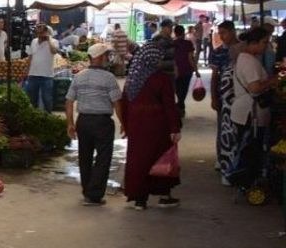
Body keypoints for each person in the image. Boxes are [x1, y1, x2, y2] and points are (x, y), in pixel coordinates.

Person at [120, 41, 181, 210]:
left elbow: (124, 104)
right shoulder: (161, 78)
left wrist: (126, 126)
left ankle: (140, 200)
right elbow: (170, 105)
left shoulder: (132, 79)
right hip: (158, 126)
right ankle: (164, 195)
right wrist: (174, 128)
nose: (161, 60)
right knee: (160, 159)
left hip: (136, 126)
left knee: (139, 160)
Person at [65, 43, 123, 206]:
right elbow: (117, 103)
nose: (107, 58)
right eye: (106, 55)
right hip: (102, 122)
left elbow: (69, 101)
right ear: (99, 57)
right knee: (103, 158)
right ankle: (95, 194)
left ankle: (87, 191)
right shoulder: (109, 78)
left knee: (85, 157)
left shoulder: (79, 76)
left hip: (83, 121)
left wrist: (70, 123)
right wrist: (124, 123)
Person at [228, 27, 280, 192]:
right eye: (264, 42)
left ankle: (246, 182)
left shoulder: (247, 59)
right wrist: (273, 81)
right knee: (251, 151)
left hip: (246, 112)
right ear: (254, 43)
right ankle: (247, 183)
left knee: (248, 149)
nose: (267, 46)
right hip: (250, 113)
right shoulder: (248, 61)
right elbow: (255, 88)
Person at [210, 20, 240, 184]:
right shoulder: (218, 52)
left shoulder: (243, 48)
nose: (221, 36)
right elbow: (214, 76)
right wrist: (214, 97)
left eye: (224, 33)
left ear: (233, 32)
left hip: (241, 96)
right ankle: (221, 158)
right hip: (224, 96)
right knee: (223, 127)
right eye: (219, 33)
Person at [24, 23, 59, 112]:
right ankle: (35, 115)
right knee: (32, 98)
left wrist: (49, 39)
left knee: (47, 98)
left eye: (42, 32)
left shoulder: (54, 42)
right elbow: (30, 57)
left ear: (46, 32)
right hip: (33, 75)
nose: (40, 34)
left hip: (46, 75)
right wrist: (26, 72)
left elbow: (54, 51)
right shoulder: (34, 41)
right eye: (38, 32)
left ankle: (48, 116)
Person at [172, 24, 196, 118]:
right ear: (183, 32)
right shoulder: (188, 43)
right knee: (184, 89)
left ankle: (180, 105)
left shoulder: (172, 43)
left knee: (178, 89)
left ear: (175, 33)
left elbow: (172, 58)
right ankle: (181, 105)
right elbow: (190, 58)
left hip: (175, 70)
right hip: (187, 70)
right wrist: (196, 70)